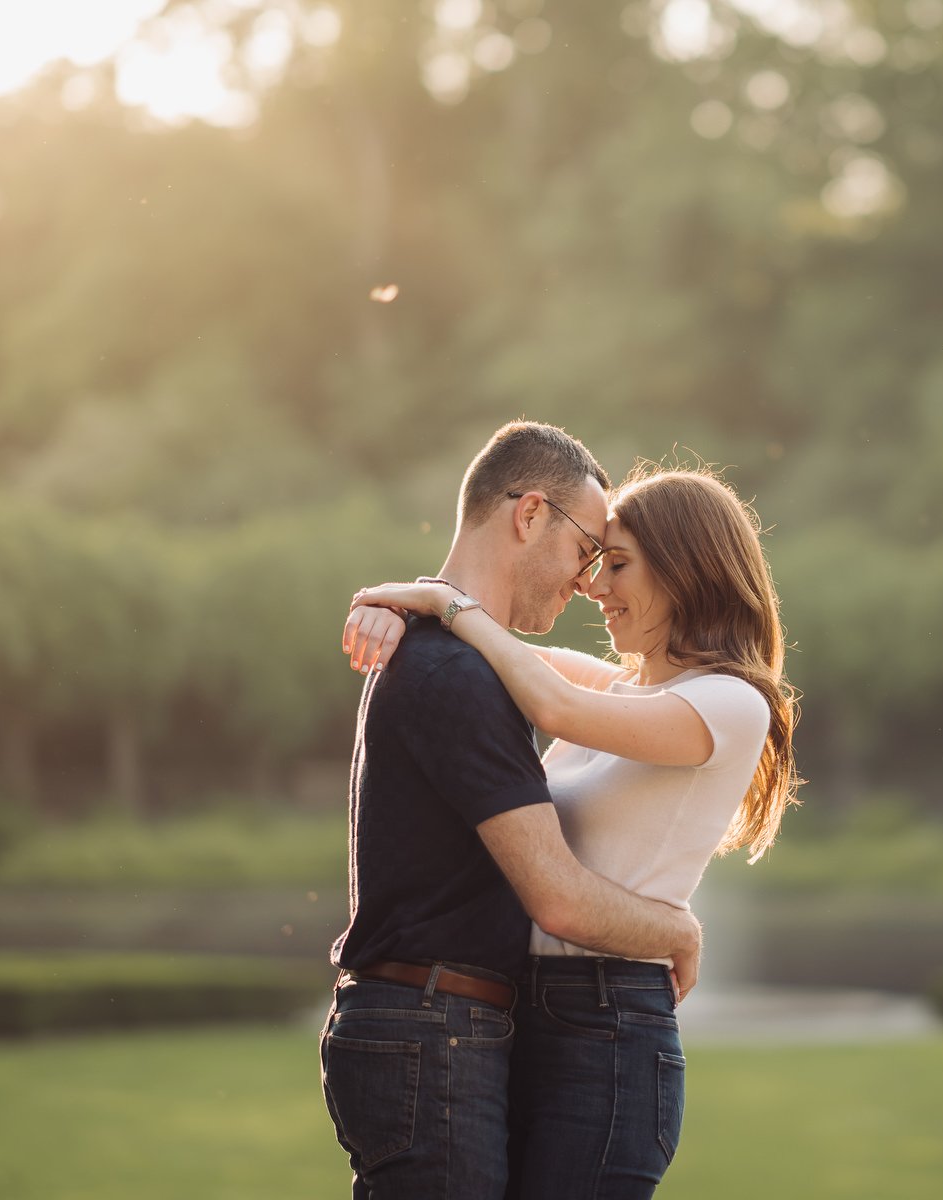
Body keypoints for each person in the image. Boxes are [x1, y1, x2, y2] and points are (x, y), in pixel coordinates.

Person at [342, 461, 801, 1198]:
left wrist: (444, 604)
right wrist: (407, 611)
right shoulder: (630, 687)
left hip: (611, 1020)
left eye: (616, 565)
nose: (594, 587)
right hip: (538, 1009)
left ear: (688, 571)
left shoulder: (727, 703)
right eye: (594, 562)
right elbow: (508, 658)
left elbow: (550, 700)